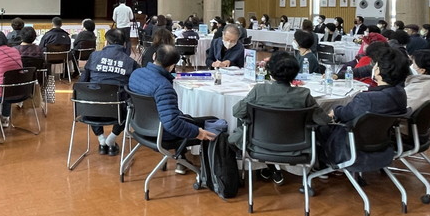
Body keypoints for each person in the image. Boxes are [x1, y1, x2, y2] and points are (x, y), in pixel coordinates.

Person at [229, 51, 330, 184]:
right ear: (295, 73)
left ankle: (267, 168)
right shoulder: (304, 94)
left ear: (270, 72)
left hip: (258, 146)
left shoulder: (259, 90)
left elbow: (237, 112)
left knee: (237, 131)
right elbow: (323, 121)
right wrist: (331, 115)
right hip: (296, 149)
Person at [128, 45, 217, 173]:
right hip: (160, 133)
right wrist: (198, 133)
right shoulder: (163, 87)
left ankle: (182, 159)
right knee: (212, 122)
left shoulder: (136, 74)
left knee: (181, 117)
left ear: (154, 56)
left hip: (139, 125)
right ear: (172, 67)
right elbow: (172, 124)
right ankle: (209, 172)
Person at [320, 47, 409, 168]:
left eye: (375, 65)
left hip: (350, 147)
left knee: (318, 124)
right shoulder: (401, 94)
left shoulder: (366, 99)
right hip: (381, 144)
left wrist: (335, 110)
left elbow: (344, 113)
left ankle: (319, 165)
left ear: (378, 72)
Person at [80, 29, 139, 156]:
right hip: (118, 112)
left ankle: (102, 140)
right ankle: (111, 140)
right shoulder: (131, 63)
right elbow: (135, 87)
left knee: (92, 97)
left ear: (106, 42)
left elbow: (82, 83)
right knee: (131, 104)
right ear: (124, 44)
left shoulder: (94, 56)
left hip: (91, 110)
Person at [0, 31, 24, 127]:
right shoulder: (15, 51)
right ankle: (5, 118)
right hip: (19, 91)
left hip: (1, 94)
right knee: (8, 85)